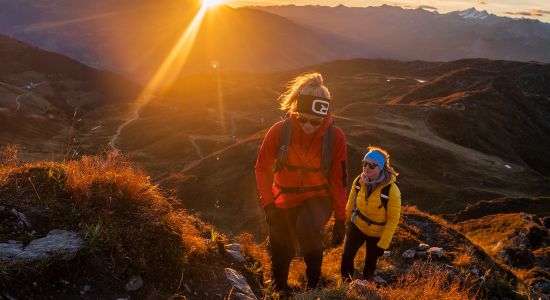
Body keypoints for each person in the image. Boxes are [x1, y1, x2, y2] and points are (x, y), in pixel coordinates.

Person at [255, 72, 348, 292]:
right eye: (302, 118)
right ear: (296, 110)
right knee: (280, 240)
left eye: (315, 122)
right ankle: (280, 288)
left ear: (325, 117)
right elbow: (261, 168)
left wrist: (340, 219)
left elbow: (338, 180)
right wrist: (268, 205)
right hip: (284, 196)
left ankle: (314, 284)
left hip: (318, 195)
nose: (308, 125)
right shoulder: (279, 131)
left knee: (306, 228)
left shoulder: (335, 137)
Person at [340, 146, 401, 281]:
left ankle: (366, 286)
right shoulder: (359, 181)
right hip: (358, 225)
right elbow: (350, 202)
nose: (366, 168)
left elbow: (393, 220)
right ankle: (345, 286)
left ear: (381, 168)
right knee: (347, 256)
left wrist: (383, 244)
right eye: (364, 163)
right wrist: (347, 220)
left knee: (370, 264)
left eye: (372, 165)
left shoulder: (392, 190)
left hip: (377, 233)